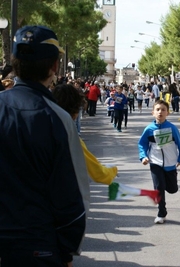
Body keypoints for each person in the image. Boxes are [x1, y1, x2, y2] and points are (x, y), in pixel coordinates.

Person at [0, 25, 89, 266]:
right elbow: (73, 193)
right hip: (37, 246)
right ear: (54, 66)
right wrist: (68, 249)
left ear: (14, 62)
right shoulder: (58, 118)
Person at [52, 83, 118, 184]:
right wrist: (113, 169)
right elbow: (99, 174)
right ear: (75, 111)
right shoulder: (71, 139)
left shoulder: (41, 128)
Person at [138, 100, 180, 224]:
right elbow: (142, 144)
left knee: (172, 189)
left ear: (168, 113)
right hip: (155, 162)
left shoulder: (172, 128)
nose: (160, 112)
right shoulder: (149, 129)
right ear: (153, 112)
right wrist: (143, 157)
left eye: (163, 110)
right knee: (159, 187)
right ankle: (161, 212)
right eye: (158, 109)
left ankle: (168, 187)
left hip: (170, 163)